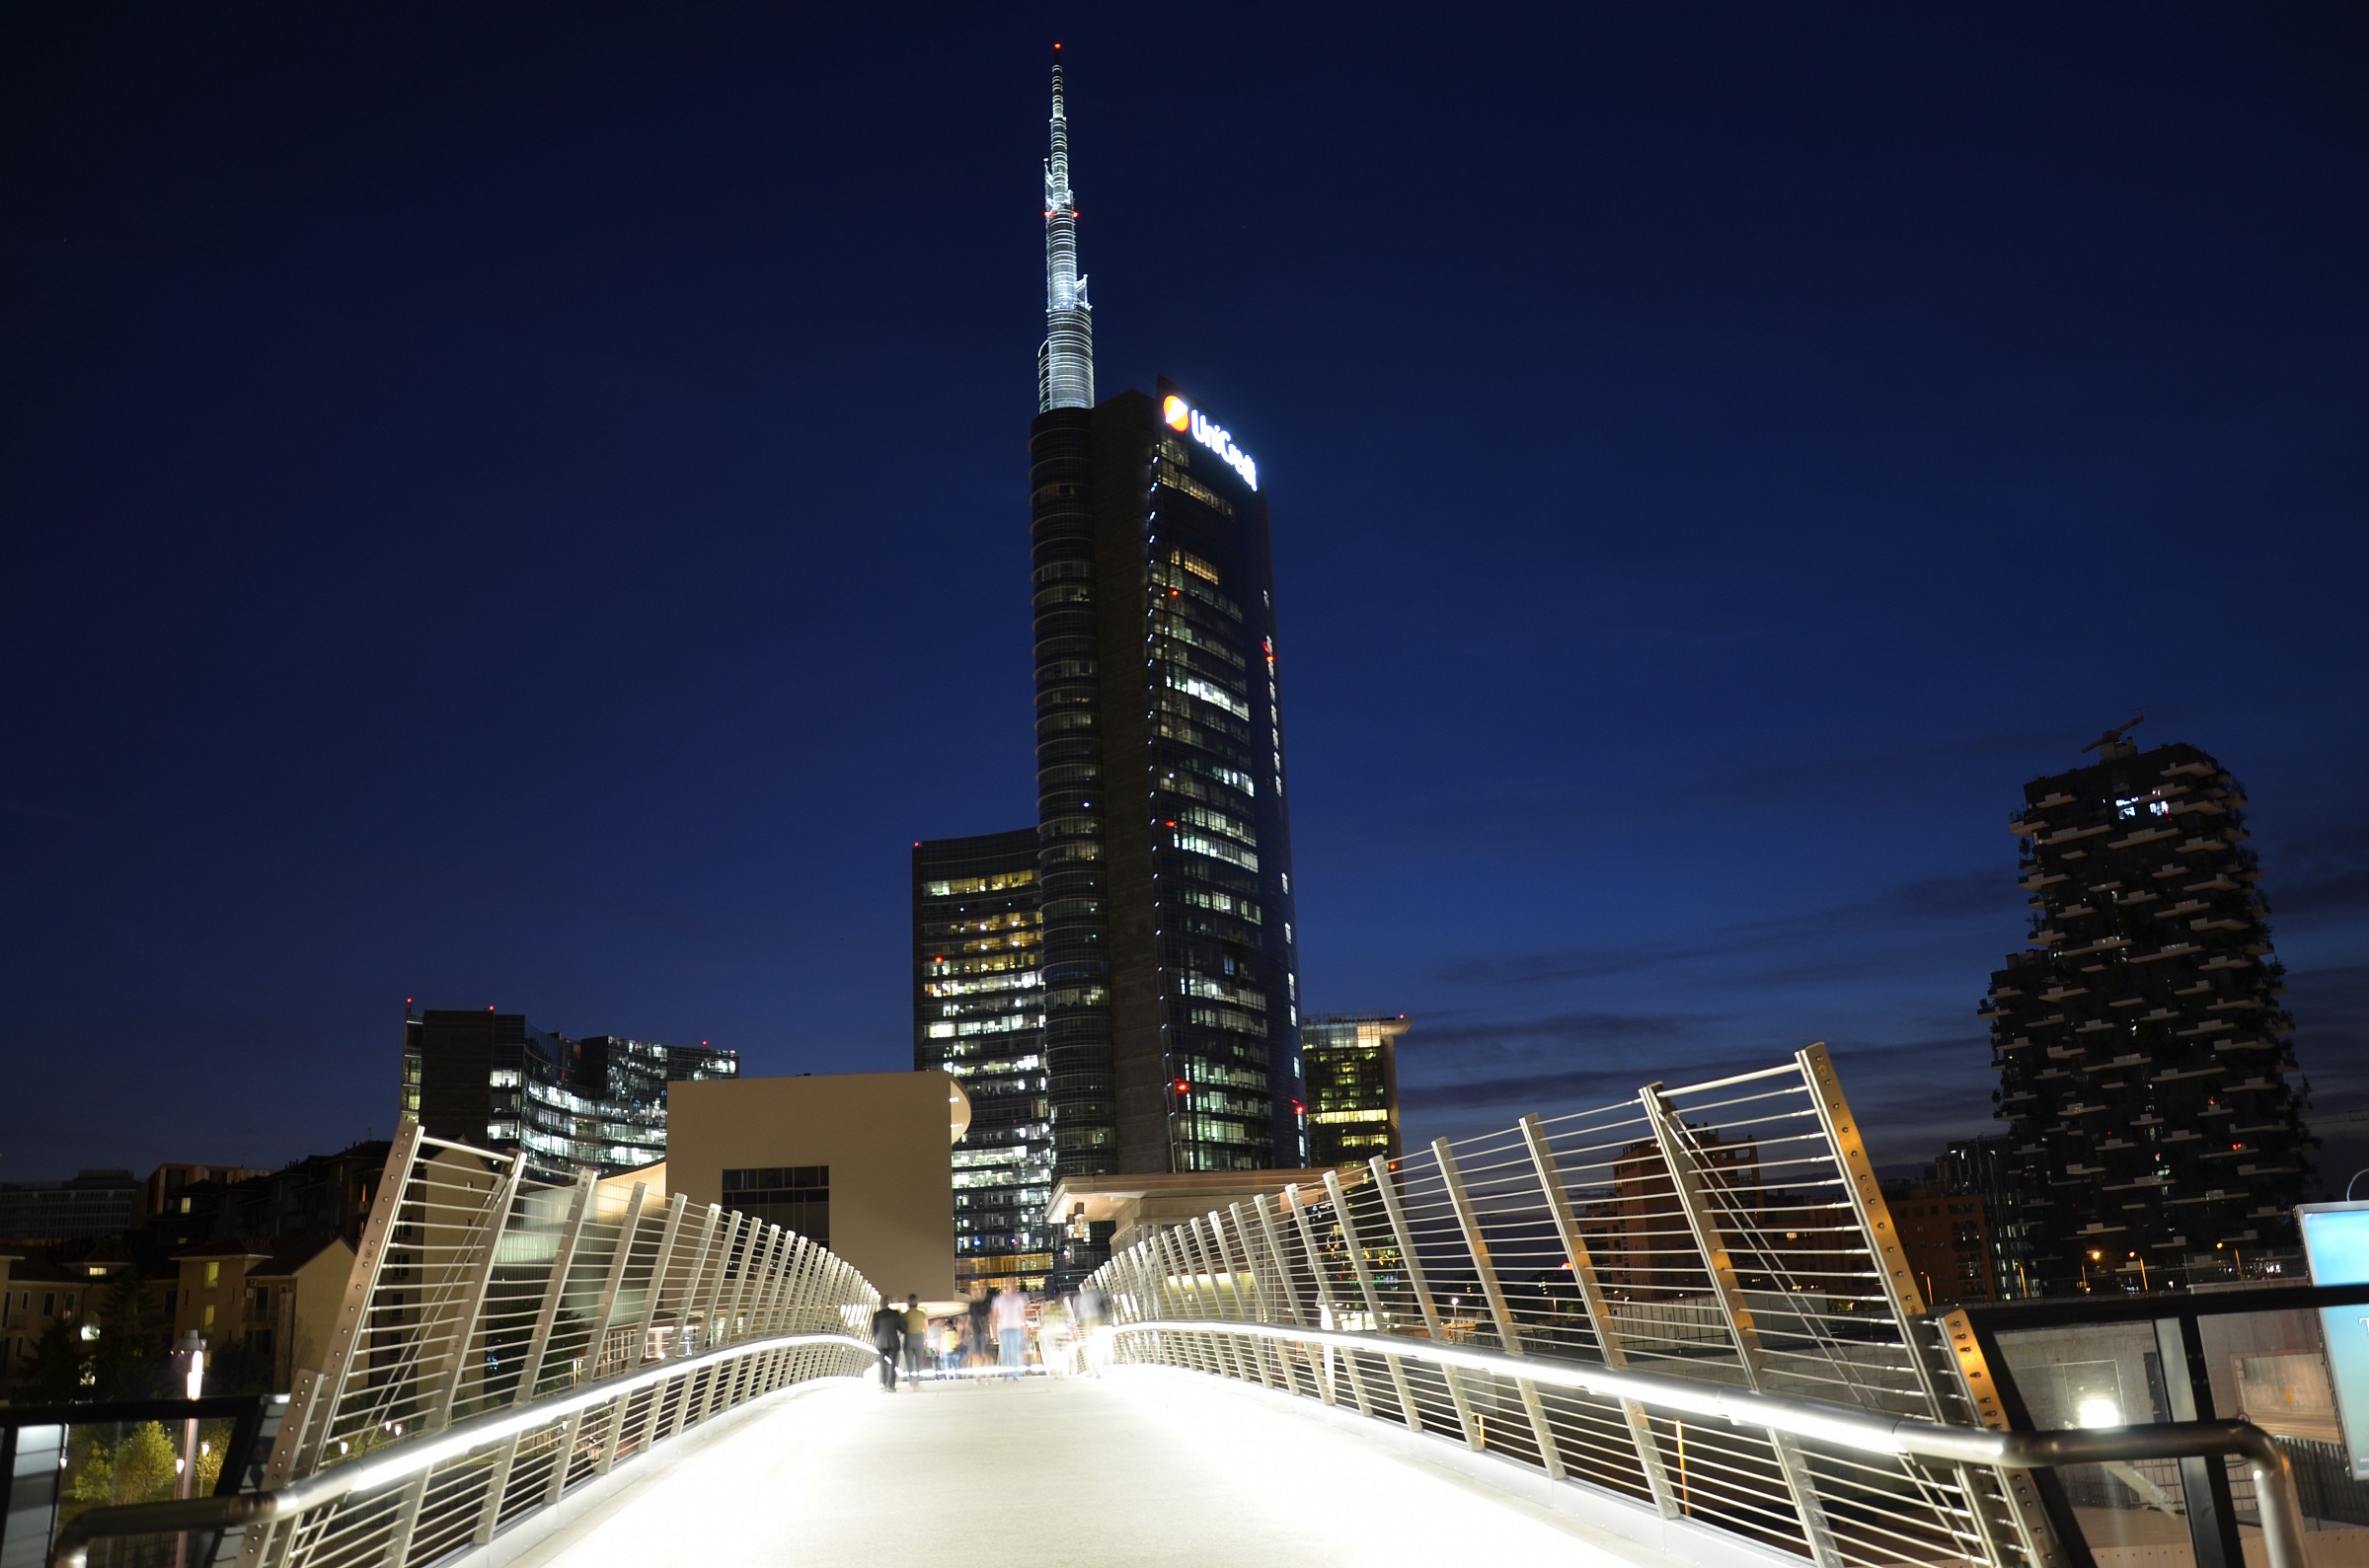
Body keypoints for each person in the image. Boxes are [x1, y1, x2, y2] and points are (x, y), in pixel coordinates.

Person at [991, 1285, 1031, 1380]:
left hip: (1016, 1329)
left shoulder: (1018, 1298)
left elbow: (1023, 1314)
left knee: (1015, 1352)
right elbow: (994, 1316)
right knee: (1005, 1352)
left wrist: (1025, 1328)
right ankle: (1006, 1373)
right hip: (1004, 1329)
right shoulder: (999, 1299)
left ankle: (1015, 1374)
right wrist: (994, 1332)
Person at [869, 1298, 905, 1391]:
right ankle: (891, 1385)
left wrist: (877, 1337)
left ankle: (884, 1384)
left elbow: (873, 1330)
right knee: (893, 1364)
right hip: (893, 1341)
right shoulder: (895, 1314)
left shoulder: (876, 1315)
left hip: (880, 1342)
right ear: (889, 1303)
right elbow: (903, 1328)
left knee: (882, 1364)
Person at [900, 1294, 930, 1385]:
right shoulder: (922, 1314)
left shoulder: (904, 1315)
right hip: (919, 1338)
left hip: (908, 1338)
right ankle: (916, 1381)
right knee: (918, 1361)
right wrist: (927, 1340)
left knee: (909, 1361)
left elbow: (901, 1328)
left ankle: (910, 1381)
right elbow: (926, 1328)